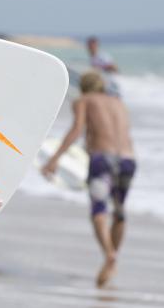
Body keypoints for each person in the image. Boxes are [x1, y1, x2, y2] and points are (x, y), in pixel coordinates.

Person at [41, 71, 136, 288]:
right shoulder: (118, 103)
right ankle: (113, 258)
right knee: (119, 211)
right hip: (128, 161)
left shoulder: (83, 100)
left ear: (83, 87)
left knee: (99, 211)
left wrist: (55, 158)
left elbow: (77, 130)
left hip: (103, 160)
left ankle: (110, 254)